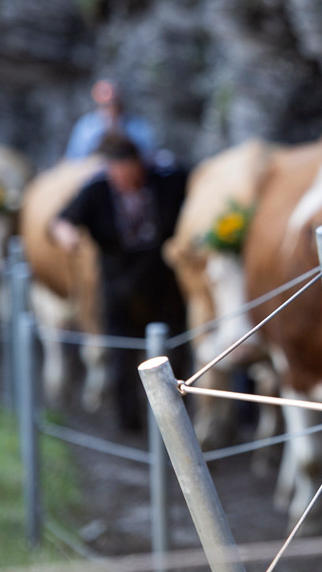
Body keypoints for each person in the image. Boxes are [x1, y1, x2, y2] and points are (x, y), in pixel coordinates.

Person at [51, 133, 189, 430]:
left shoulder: (167, 181)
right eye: (118, 172)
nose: (125, 179)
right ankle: (130, 426)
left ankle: (176, 423)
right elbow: (62, 221)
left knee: (175, 354)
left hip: (163, 285)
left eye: (130, 171)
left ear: (140, 165)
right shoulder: (97, 191)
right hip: (117, 287)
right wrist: (68, 236)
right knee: (122, 361)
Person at [64, 79, 157, 160]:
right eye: (105, 105)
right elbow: (75, 158)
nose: (110, 108)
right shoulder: (86, 127)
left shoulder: (136, 125)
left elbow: (149, 153)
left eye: (113, 103)